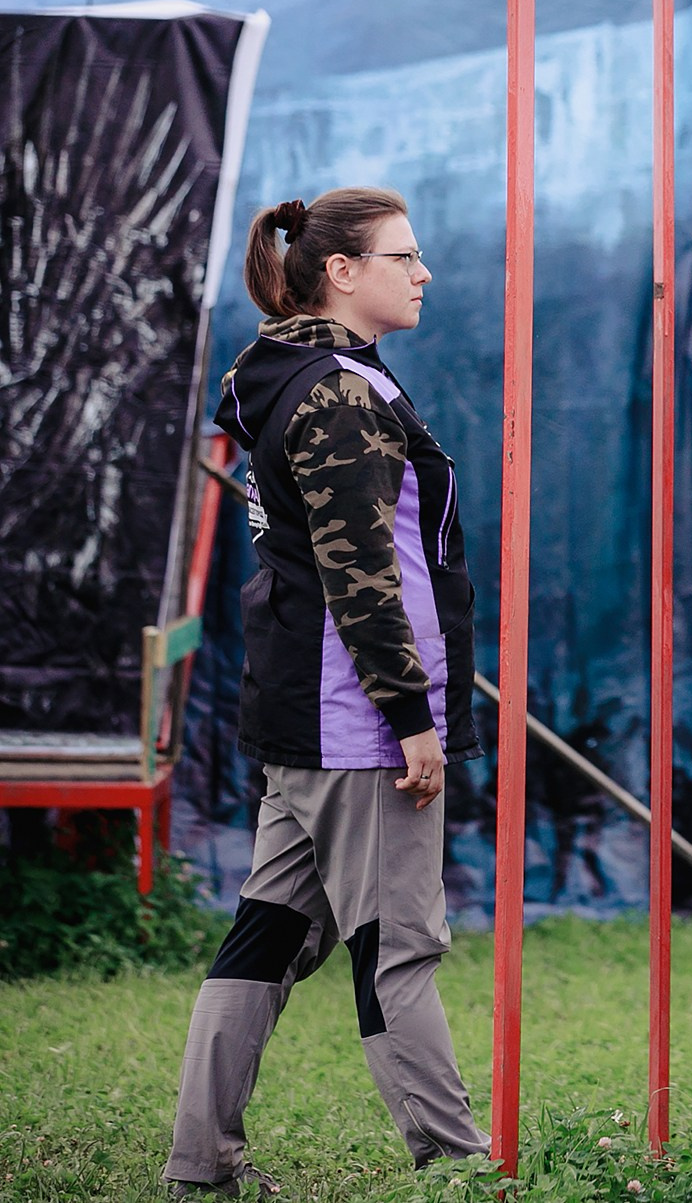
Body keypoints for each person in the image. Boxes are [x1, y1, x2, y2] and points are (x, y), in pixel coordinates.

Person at [166, 187, 487, 1197]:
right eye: (404, 256)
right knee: (399, 950)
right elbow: (362, 577)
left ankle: (199, 1167)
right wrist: (412, 721)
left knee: (262, 940)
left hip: (302, 715)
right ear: (342, 273)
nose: (423, 272)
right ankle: (458, 1169)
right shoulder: (339, 395)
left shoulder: (290, 376)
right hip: (355, 726)